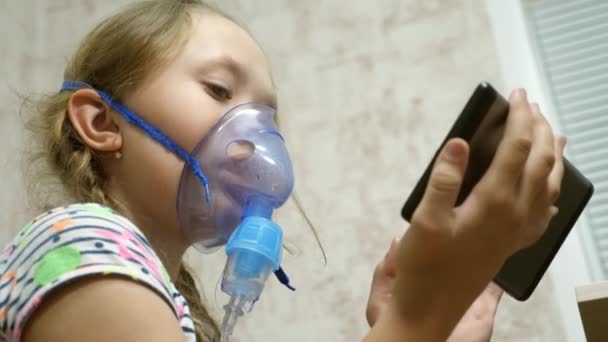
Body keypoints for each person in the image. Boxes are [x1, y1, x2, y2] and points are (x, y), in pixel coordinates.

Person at [1, 1, 565, 341]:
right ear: (101, 122)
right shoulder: (83, 243)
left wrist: (422, 325)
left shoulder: (154, 288)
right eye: (219, 90)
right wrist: (420, 314)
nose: (256, 137)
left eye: (268, 117)